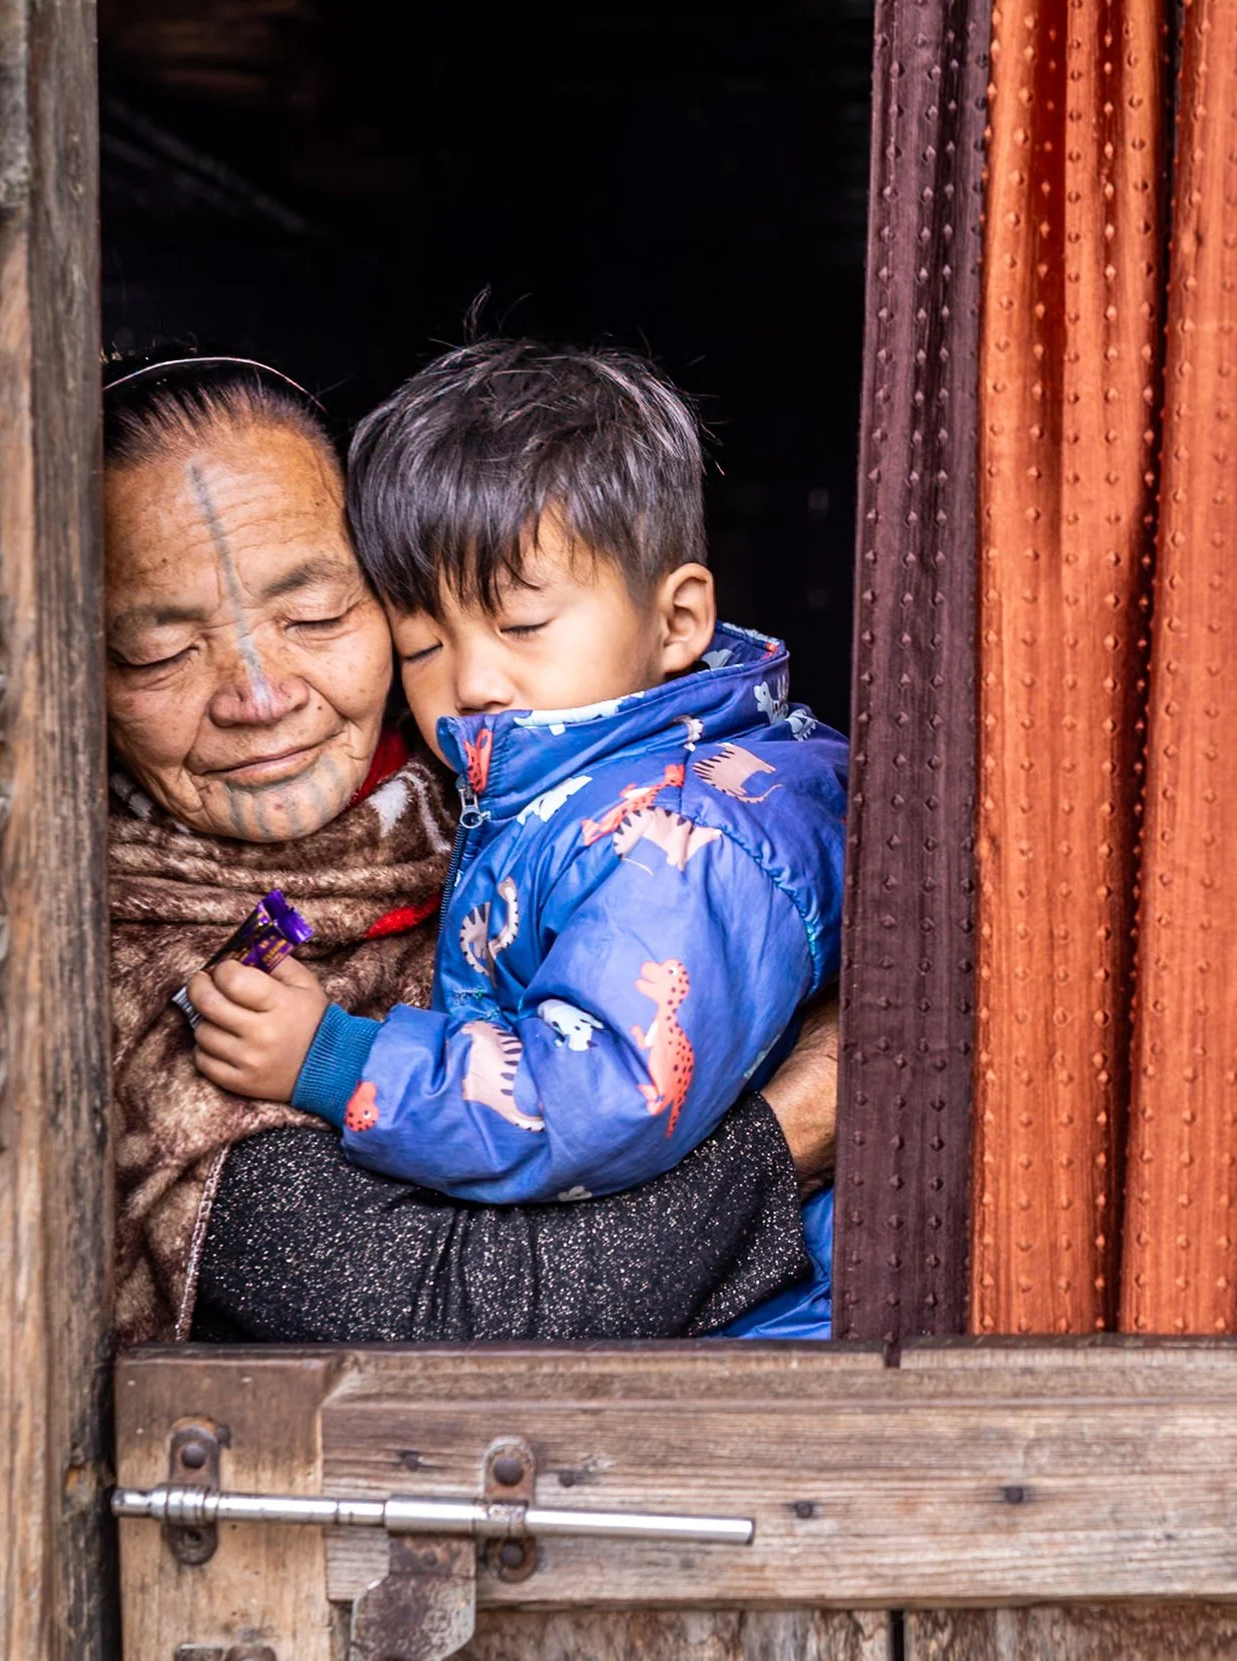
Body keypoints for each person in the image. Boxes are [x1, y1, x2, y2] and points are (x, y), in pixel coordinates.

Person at [103, 353, 838, 1344]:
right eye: (159, 652)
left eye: (317, 616)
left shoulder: (610, 808)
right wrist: (809, 1118)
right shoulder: (142, 976)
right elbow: (465, 1312)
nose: (259, 697)